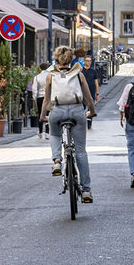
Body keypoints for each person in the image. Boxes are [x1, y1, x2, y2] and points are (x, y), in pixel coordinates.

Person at [40, 46, 96, 203]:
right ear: (71, 59)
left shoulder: (51, 75)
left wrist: (43, 115)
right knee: (81, 152)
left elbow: (46, 99)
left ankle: (57, 160)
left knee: (54, 134)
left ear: (56, 59)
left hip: (57, 111)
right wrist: (91, 111)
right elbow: (88, 97)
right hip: (77, 111)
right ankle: (86, 190)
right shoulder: (79, 74)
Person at [30, 62, 49, 138]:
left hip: (40, 97)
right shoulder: (50, 76)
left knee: (40, 114)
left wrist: (35, 98)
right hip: (48, 97)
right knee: (48, 114)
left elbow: (34, 89)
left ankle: (40, 131)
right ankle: (47, 132)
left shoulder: (37, 77)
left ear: (40, 69)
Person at [80, 53, 100, 120]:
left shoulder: (93, 71)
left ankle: (89, 122)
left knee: (90, 108)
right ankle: (82, 121)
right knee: (81, 108)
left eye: (90, 61)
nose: (89, 62)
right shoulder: (80, 71)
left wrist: (97, 94)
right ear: (84, 61)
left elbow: (96, 83)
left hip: (91, 92)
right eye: (87, 61)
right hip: (82, 93)